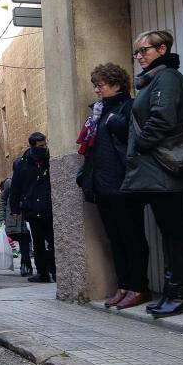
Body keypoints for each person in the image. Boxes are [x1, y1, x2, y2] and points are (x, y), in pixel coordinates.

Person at [122, 30, 183, 317]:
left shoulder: (166, 78)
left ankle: (180, 293)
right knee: (170, 233)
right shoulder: (152, 80)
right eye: (137, 52)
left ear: (162, 49)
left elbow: (162, 117)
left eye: (145, 50)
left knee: (175, 233)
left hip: (166, 170)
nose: (140, 56)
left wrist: (141, 145)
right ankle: (177, 292)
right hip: (157, 171)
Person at [76, 63, 150, 309]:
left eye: (101, 85)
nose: (97, 90)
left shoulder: (128, 107)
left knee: (132, 238)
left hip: (125, 186)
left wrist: (113, 123)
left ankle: (139, 287)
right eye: (95, 85)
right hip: (103, 187)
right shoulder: (98, 113)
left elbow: (135, 139)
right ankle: (124, 286)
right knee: (115, 240)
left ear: (116, 84)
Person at [10, 132, 55, 283]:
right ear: (33, 146)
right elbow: (15, 188)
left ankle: (55, 271)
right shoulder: (21, 164)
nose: (44, 148)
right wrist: (15, 209)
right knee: (38, 242)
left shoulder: (50, 159)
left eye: (45, 145)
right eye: (41, 146)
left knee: (53, 240)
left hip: (49, 206)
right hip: (32, 207)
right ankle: (43, 273)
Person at [0, 177, 31, 276]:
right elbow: (3, 200)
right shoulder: (9, 183)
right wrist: (2, 217)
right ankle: (24, 264)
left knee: (25, 240)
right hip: (13, 218)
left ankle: (25, 264)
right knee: (21, 239)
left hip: (27, 217)